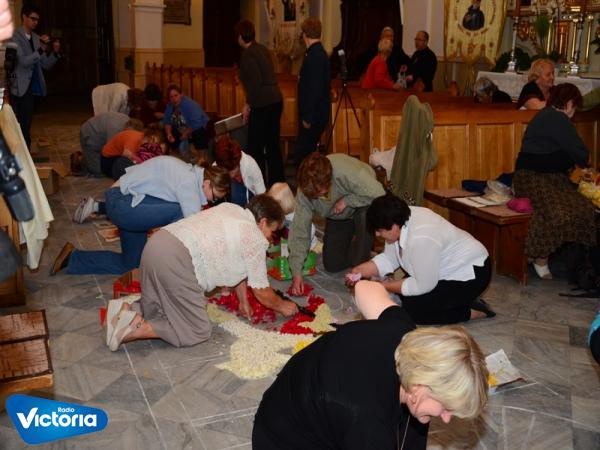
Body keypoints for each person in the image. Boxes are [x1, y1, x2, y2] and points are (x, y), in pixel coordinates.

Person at [253, 280, 489, 449]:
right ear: (422, 384)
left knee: (417, 417)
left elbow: (364, 287)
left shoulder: (405, 335)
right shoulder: (368, 425)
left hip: (293, 403)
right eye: (446, 407)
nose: (446, 419)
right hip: (282, 440)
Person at [104, 195, 299, 351]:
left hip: (156, 245)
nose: (270, 238)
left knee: (158, 308)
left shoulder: (232, 209)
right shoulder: (254, 236)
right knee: (197, 330)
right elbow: (261, 290)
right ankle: (133, 331)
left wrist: (243, 301)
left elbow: (240, 265)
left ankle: (125, 310)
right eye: (272, 231)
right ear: (263, 222)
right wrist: (283, 306)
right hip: (175, 260)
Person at [51, 156, 230, 276]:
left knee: (131, 264)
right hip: (122, 203)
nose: (212, 201)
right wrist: (217, 264)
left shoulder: (188, 175)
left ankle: (73, 258)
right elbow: (195, 228)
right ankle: (171, 270)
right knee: (182, 214)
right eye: (214, 197)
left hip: (129, 205)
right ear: (207, 183)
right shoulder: (188, 182)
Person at [349, 193, 495, 324]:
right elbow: (389, 259)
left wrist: (384, 286)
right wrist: (360, 270)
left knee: (414, 311)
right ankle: (457, 301)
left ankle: (473, 311)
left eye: (379, 230)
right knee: (405, 296)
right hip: (443, 269)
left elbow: (423, 285)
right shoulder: (399, 220)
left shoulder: (421, 238)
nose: (377, 235)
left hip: (473, 273)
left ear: (394, 226)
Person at [513, 83, 595, 279]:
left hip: (548, 178)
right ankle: (541, 257)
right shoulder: (557, 118)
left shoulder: (549, 115)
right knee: (558, 211)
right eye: (575, 107)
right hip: (533, 178)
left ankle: (539, 254)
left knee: (582, 207)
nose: (574, 113)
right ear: (569, 103)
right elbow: (584, 156)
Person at [288, 152, 386, 295]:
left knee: (364, 217)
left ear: (328, 181)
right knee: (332, 264)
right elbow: (300, 231)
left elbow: (379, 194)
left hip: (365, 203)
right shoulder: (305, 190)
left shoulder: (346, 171)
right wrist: (296, 272)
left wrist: (347, 201)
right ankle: (363, 248)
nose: (317, 198)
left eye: (319, 193)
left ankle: (362, 267)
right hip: (339, 215)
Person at [235, 19, 285, 186]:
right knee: (272, 146)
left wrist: (247, 104)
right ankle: (278, 184)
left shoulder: (248, 55)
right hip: (275, 100)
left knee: (255, 148)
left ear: (241, 37)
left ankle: (258, 185)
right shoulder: (262, 49)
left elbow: (255, 84)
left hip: (262, 104)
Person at [8, 3, 61, 149]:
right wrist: (41, 50)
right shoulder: (14, 37)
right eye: (33, 18)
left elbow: (45, 64)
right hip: (19, 86)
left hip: (34, 86)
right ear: (24, 17)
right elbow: (23, 61)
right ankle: (22, 152)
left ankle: (24, 151)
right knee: (22, 123)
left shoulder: (37, 38)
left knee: (27, 122)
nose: (35, 22)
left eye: (37, 20)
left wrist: (55, 53)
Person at [294, 17, 330, 167]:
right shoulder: (318, 53)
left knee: (303, 158)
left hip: (313, 116)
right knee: (306, 155)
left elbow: (315, 89)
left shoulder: (314, 56)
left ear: (304, 35)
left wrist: (308, 117)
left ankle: (306, 182)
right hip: (316, 114)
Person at [214, 136, 265, 206]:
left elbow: (262, 195)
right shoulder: (216, 167)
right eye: (227, 171)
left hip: (251, 200)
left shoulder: (250, 164)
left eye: (233, 171)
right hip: (228, 203)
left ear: (239, 161)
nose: (231, 175)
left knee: (236, 192)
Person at [79, 112, 131, 176]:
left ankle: (86, 158)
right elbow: (112, 151)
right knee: (97, 171)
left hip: (100, 134)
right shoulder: (115, 129)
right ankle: (80, 159)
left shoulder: (128, 121)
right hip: (89, 134)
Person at [164, 84, 210, 152]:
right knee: (167, 132)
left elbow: (197, 123)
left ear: (181, 94)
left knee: (199, 132)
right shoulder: (169, 106)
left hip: (199, 128)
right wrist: (169, 134)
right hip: (183, 129)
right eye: (171, 97)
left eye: (176, 95)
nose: (174, 99)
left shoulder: (189, 105)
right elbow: (167, 121)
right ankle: (176, 150)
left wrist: (186, 133)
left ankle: (201, 154)